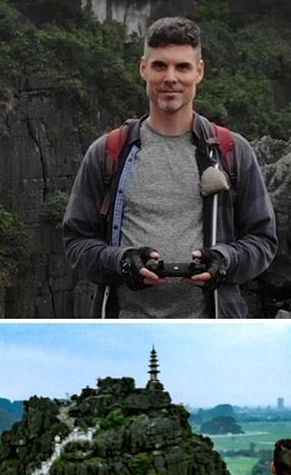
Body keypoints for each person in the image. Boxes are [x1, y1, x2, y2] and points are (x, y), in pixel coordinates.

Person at [62, 16, 277, 318]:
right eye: (160, 66)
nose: (171, 78)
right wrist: (122, 261)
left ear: (199, 72)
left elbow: (263, 240)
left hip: (210, 333)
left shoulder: (231, 151)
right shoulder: (108, 152)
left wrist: (224, 260)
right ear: (143, 69)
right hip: (125, 331)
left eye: (183, 67)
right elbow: (76, 242)